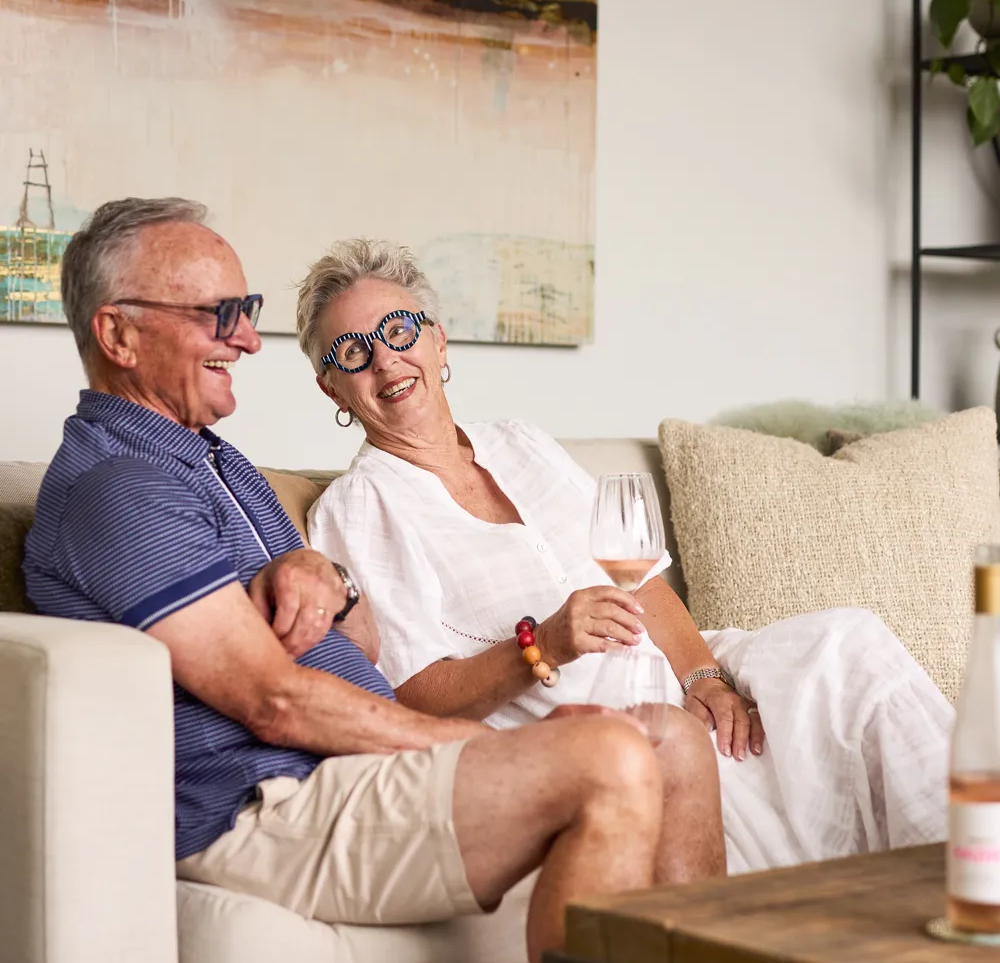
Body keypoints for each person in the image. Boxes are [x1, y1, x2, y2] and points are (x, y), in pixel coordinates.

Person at [22, 199, 725, 963]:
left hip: (343, 774)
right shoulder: (122, 486)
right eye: (215, 314)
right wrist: (467, 743)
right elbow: (275, 699)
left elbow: (355, 640)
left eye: (245, 311)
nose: (249, 340)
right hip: (263, 803)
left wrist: (322, 577)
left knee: (676, 741)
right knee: (613, 757)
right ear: (119, 333)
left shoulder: (219, 467)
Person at [299, 238, 955, 876]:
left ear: (437, 341)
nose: (386, 361)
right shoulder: (360, 508)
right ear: (333, 389)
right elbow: (412, 696)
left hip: (679, 673)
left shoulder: (521, 444)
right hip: (590, 726)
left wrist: (707, 678)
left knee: (850, 643)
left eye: (400, 330)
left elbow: (637, 576)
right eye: (353, 351)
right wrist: (545, 644)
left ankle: (978, 879)